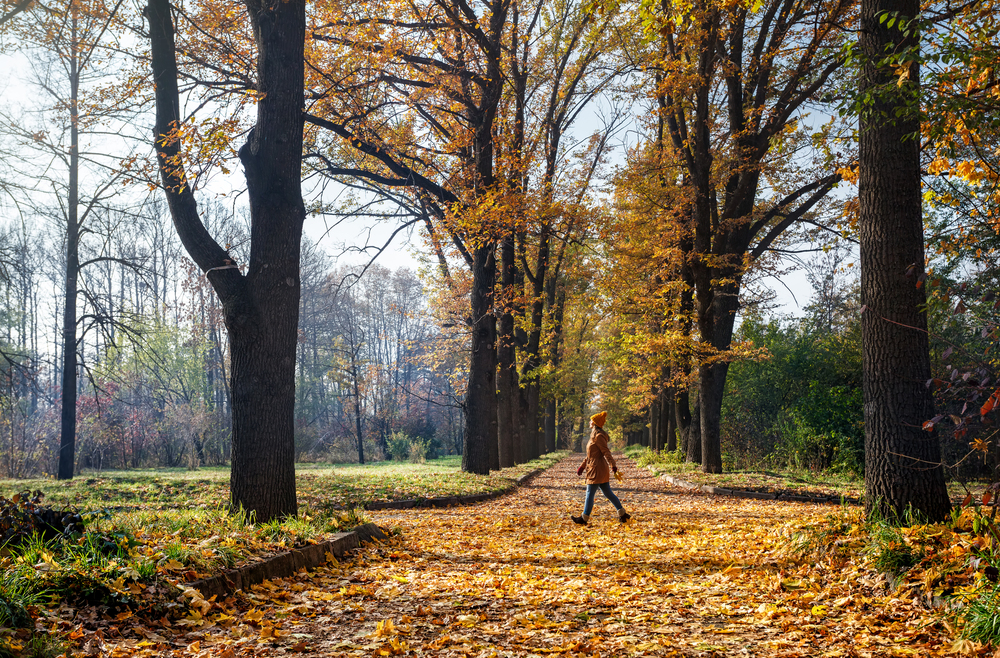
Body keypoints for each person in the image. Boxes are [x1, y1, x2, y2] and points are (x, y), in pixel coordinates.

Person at [572, 411, 630, 525]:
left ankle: (584, 518)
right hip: (595, 467)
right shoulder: (593, 435)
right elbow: (590, 455)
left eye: (591, 421)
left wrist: (613, 465)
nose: (589, 422)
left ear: (594, 423)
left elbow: (606, 452)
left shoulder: (599, 436)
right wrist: (582, 466)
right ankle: (623, 514)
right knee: (607, 492)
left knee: (589, 492)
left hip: (597, 469)